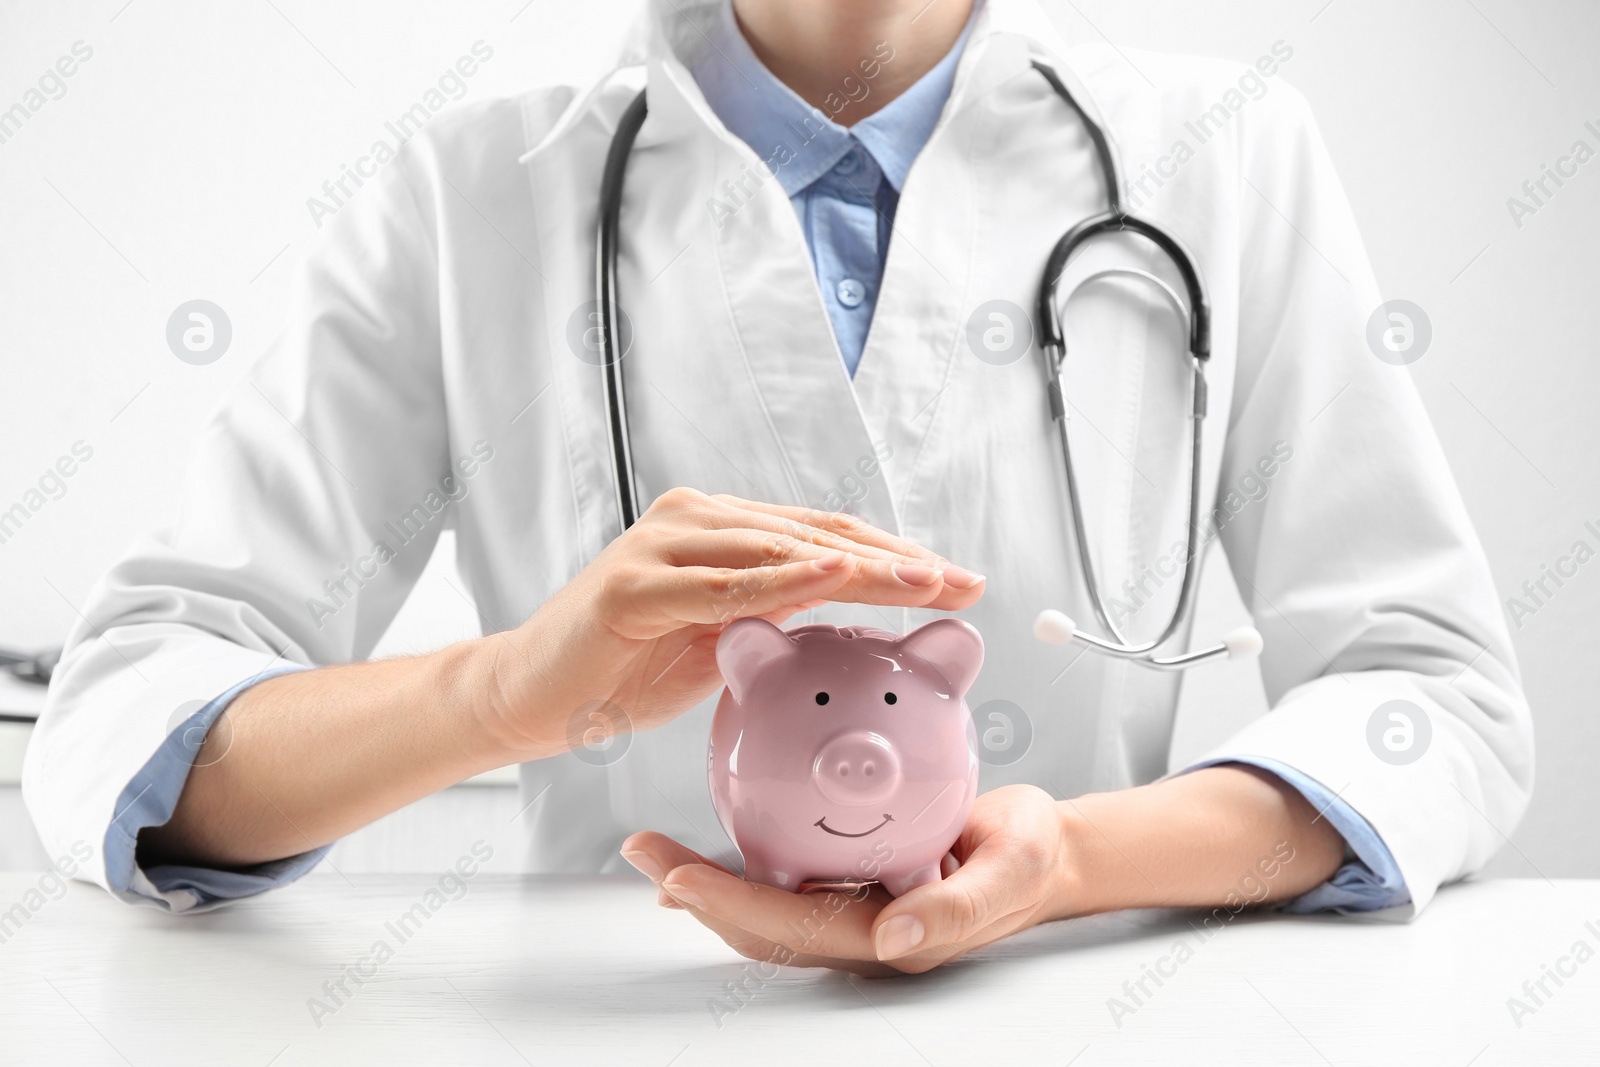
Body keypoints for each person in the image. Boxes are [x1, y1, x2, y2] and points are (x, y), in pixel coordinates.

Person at [26, 0, 1532, 976]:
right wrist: (500, 694)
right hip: (625, 1018)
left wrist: (1070, 861)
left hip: (1079, 1006)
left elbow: (1432, 701)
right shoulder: (467, 190)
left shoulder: (1226, 156)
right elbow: (121, 718)